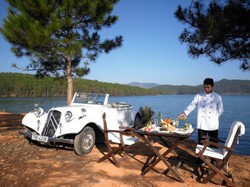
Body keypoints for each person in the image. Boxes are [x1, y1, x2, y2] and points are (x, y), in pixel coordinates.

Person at [178, 78, 224, 164]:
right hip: (202, 123)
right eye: (205, 87)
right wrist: (185, 112)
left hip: (213, 124)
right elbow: (192, 105)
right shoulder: (199, 96)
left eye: (208, 87)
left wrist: (215, 117)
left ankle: (213, 160)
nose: (206, 89)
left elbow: (221, 109)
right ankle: (200, 159)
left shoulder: (217, 97)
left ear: (212, 87)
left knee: (213, 143)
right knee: (200, 142)